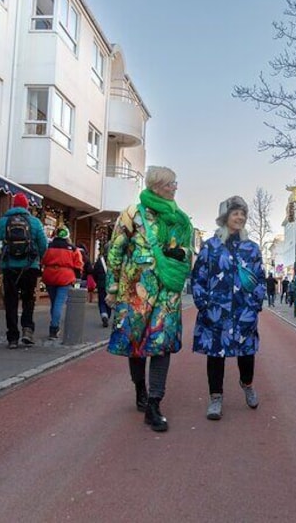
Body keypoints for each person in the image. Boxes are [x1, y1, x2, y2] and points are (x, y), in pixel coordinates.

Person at [105, 166, 193, 432]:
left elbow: (188, 249)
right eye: (171, 183)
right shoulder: (132, 213)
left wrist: (181, 253)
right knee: (136, 343)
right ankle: (140, 388)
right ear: (157, 186)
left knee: (161, 343)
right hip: (136, 290)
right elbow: (116, 250)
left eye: (175, 183)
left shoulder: (179, 218)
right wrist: (111, 288)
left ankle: (154, 403)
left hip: (167, 289)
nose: (175, 187)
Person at [191, 196, 266, 420]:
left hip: (244, 311)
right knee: (215, 355)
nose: (240, 217)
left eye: (243, 214)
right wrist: (203, 305)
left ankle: (247, 383)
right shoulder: (211, 247)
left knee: (247, 354)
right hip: (216, 310)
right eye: (235, 213)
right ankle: (215, 398)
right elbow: (198, 278)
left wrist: (255, 304)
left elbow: (260, 278)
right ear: (225, 217)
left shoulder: (251, 249)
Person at [0, 192, 47, 349]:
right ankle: (27, 330)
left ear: (13, 205)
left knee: (11, 301)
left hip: (9, 267)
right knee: (29, 299)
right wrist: (37, 259)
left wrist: (2, 256)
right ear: (27, 206)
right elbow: (43, 244)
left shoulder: (3, 221)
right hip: (30, 267)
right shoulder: (35, 222)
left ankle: (12, 337)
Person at [40, 226, 83, 339]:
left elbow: (43, 260)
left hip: (49, 276)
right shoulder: (73, 249)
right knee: (59, 303)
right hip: (65, 277)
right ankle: (54, 328)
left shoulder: (48, 246)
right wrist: (77, 279)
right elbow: (78, 265)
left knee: (54, 303)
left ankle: (54, 323)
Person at [92, 247, 111, 327]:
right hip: (110, 285)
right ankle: (107, 315)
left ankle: (104, 315)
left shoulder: (100, 261)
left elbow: (94, 273)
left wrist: (97, 282)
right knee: (109, 302)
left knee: (102, 301)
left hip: (101, 284)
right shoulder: (114, 261)